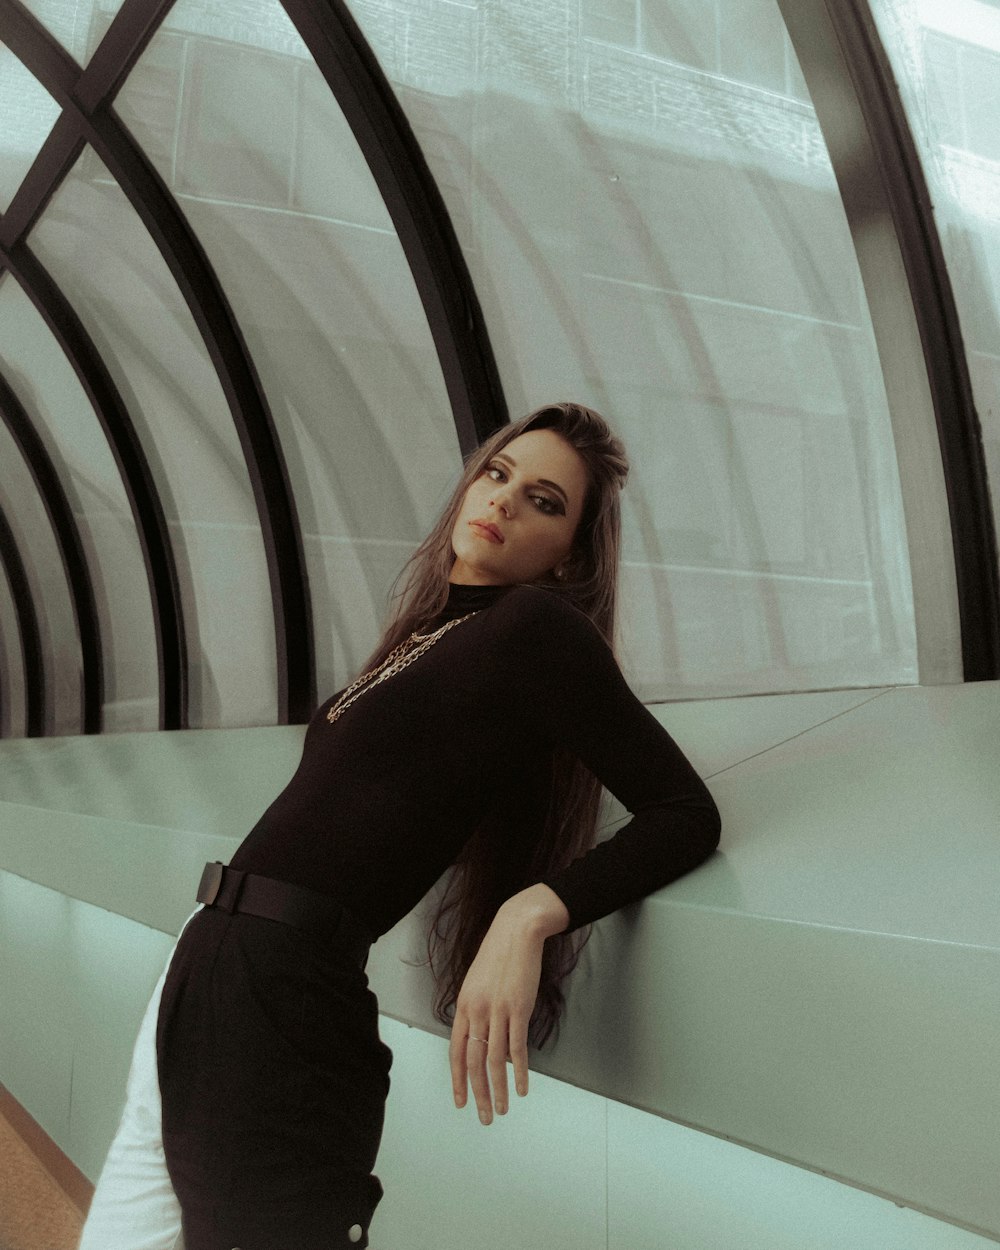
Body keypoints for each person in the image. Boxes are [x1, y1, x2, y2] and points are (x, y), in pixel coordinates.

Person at [79, 402, 720, 1250]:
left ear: (569, 560)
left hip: (287, 996)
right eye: (497, 474)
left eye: (544, 501)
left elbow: (685, 814)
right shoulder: (423, 635)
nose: (503, 500)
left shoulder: (535, 630)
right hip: (207, 963)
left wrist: (531, 911)